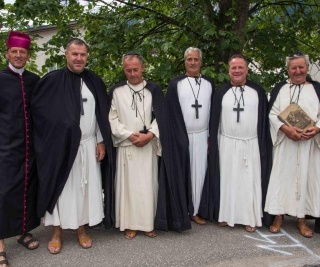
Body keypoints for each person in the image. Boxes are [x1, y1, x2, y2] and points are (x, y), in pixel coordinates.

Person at [31, 38, 114, 253]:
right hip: (61, 147)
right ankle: (57, 232)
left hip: (88, 145)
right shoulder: (52, 80)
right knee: (62, 189)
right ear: (66, 54)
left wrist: (100, 140)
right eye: (74, 54)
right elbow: (40, 116)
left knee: (84, 189)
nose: (79, 58)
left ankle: (81, 229)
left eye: (83, 54)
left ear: (87, 56)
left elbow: (101, 114)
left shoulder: (94, 80)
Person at [208, 54, 271, 232]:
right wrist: (213, 144)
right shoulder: (221, 92)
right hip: (226, 142)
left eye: (240, 67)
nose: (237, 71)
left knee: (249, 181)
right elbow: (215, 121)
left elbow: (264, 123)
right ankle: (226, 216)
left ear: (247, 70)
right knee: (227, 181)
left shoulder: (257, 91)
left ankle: (249, 217)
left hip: (250, 143)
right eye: (233, 68)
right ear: (228, 71)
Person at [156, 47, 214, 228]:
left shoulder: (209, 84)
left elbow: (214, 112)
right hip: (182, 137)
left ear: (201, 62)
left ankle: (197, 211)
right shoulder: (176, 84)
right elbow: (169, 113)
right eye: (189, 59)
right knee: (184, 173)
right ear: (185, 62)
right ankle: (183, 210)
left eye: (196, 59)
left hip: (203, 135)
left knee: (200, 174)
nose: (193, 62)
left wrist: (211, 136)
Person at [109, 52, 164, 239]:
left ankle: (148, 223)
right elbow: (112, 118)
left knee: (147, 186)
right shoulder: (116, 91)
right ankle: (130, 224)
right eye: (128, 70)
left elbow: (161, 117)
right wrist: (130, 136)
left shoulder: (153, 90)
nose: (132, 74)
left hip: (147, 146)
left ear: (143, 68)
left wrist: (149, 135)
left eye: (135, 69)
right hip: (128, 146)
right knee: (129, 188)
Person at [265, 52, 320, 238]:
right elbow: (272, 113)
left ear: (307, 68)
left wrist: (317, 129)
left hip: (308, 145)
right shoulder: (280, 88)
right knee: (282, 179)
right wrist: (285, 129)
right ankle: (278, 216)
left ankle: (301, 220)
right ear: (288, 69)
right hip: (285, 144)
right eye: (293, 68)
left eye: (301, 67)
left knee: (304, 179)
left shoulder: (316, 88)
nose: (297, 71)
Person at [0, 31, 40, 267]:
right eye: (14, 51)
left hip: (29, 148)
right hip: (4, 146)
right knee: (3, 194)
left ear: (27, 55)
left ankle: (22, 231)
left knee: (26, 189)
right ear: (7, 53)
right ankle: (1, 243)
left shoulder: (34, 80)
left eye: (22, 52)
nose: (18, 55)